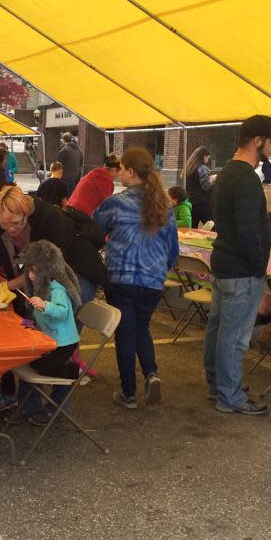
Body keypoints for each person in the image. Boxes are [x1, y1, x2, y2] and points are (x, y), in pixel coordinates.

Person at [204, 115, 271, 416]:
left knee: (219, 329)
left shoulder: (226, 173)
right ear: (257, 141)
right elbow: (249, 231)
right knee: (234, 336)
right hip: (241, 270)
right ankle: (230, 396)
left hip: (225, 264)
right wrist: (258, 267)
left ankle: (218, 386)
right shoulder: (248, 179)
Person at [94, 147, 178, 409]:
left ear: (130, 172)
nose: (118, 174)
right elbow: (172, 249)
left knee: (125, 334)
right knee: (142, 327)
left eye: (120, 169)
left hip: (121, 278)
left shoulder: (116, 203)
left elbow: (95, 231)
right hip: (153, 281)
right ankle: (151, 373)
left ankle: (128, 392)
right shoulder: (165, 205)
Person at [0, 186, 108, 313]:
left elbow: (44, 267)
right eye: (5, 224)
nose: (10, 229)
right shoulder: (3, 219)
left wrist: (3, 287)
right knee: (44, 322)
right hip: (46, 278)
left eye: (16, 223)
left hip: (78, 273)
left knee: (60, 325)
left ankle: (64, 352)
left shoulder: (49, 219)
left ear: (26, 213)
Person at [13, 240, 83, 421]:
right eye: (28, 271)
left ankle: (73, 371)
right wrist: (34, 324)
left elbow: (62, 312)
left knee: (39, 366)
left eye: (33, 271)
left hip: (64, 343)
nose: (29, 276)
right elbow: (44, 318)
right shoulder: (41, 288)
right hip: (51, 340)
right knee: (33, 362)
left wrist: (45, 305)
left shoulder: (56, 289)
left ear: (45, 270)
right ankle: (30, 406)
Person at [185, 146, 215, 227]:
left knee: (192, 229)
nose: (207, 160)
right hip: (202, 203)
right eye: (208, 158)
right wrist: (212, 180)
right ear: (204, 156)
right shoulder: (202, 168)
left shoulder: (189, 167)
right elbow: (206, 187)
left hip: (191, 202)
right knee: (212, 226)